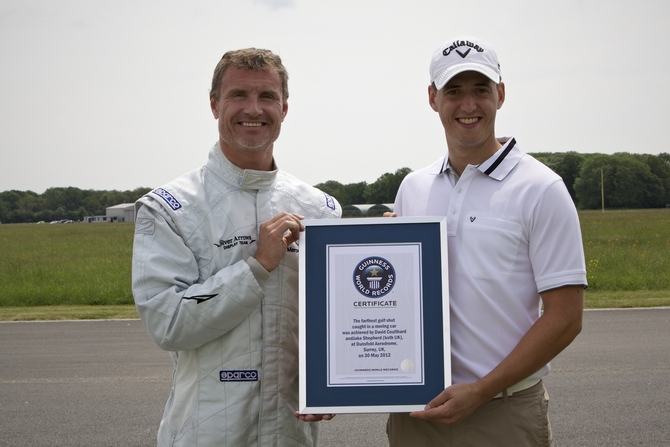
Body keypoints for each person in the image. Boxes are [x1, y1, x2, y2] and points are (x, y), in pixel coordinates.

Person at [132, 48, 340, 447]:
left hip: (291, 433)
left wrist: (335, 385)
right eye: (238, 95)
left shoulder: (320, 209)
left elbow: (335, 324)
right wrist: (256, 266)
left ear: (284, 107)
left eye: (267, 97)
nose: (254, 109)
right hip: (204, 434)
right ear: (214, 104)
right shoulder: (171, 207)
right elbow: (167, 323)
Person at [385, 36, 588, 446]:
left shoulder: (542, 188)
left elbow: (565, 317)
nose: (468, 105)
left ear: (501, 93)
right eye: (454, 91)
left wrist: (481, 390)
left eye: (481, 89)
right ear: (432, 98)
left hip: (503, 411)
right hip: (416, 414)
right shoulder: (413, 188)